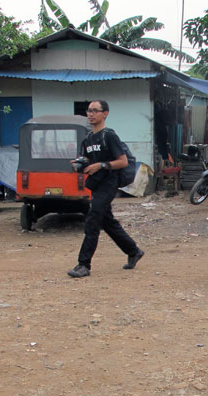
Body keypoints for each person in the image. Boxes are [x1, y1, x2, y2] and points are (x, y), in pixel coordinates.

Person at [67, 100, 144, 278]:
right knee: (107, 221)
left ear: (105, 113)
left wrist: (101, 165)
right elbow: (87, 159)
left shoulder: (109, 136)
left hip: (110, 181)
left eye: (95, 110)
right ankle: (133, 251)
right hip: (97, 183)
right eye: (89, 110)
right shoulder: (88, 139)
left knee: (93, 219)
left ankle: (83, 264)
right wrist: (79, 164)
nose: (91, 114)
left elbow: (123, 161)